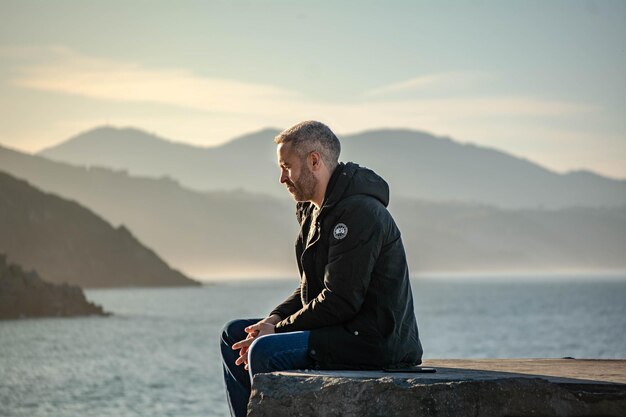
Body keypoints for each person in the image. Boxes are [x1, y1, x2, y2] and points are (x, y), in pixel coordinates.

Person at [220, 121, 422, 417]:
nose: (281, 178)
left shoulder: (360, 212)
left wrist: (275, 331)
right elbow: (312, 287)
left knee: (263, 350)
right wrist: (273, 318)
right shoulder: (313, 210)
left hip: (372, 342)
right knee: (234, 335)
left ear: (314, 161)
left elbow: (340, 299)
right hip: (337, 330)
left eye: (286, 167)